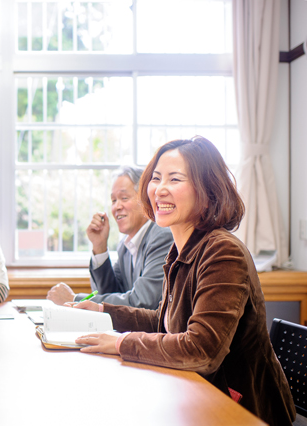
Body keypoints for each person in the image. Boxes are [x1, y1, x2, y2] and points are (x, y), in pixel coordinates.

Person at [72, 137, 295, 426]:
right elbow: (163, 322)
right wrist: (104, 312)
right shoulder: (181, 249)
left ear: (206, 189)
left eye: (175, 179)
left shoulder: (222, 252)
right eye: (156, 178)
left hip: (243, 410)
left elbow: (202, 351)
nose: (160, 189)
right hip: (194, 396)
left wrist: (122, 343)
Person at [47, 166, 173, 309]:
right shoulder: (125, 246)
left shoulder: (162, 237)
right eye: (113, 200)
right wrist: (99, 247)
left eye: (124, 198)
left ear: (146, 198)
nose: (117, 207)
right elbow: (112, 295)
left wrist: (74, 299)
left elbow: (142, 302)